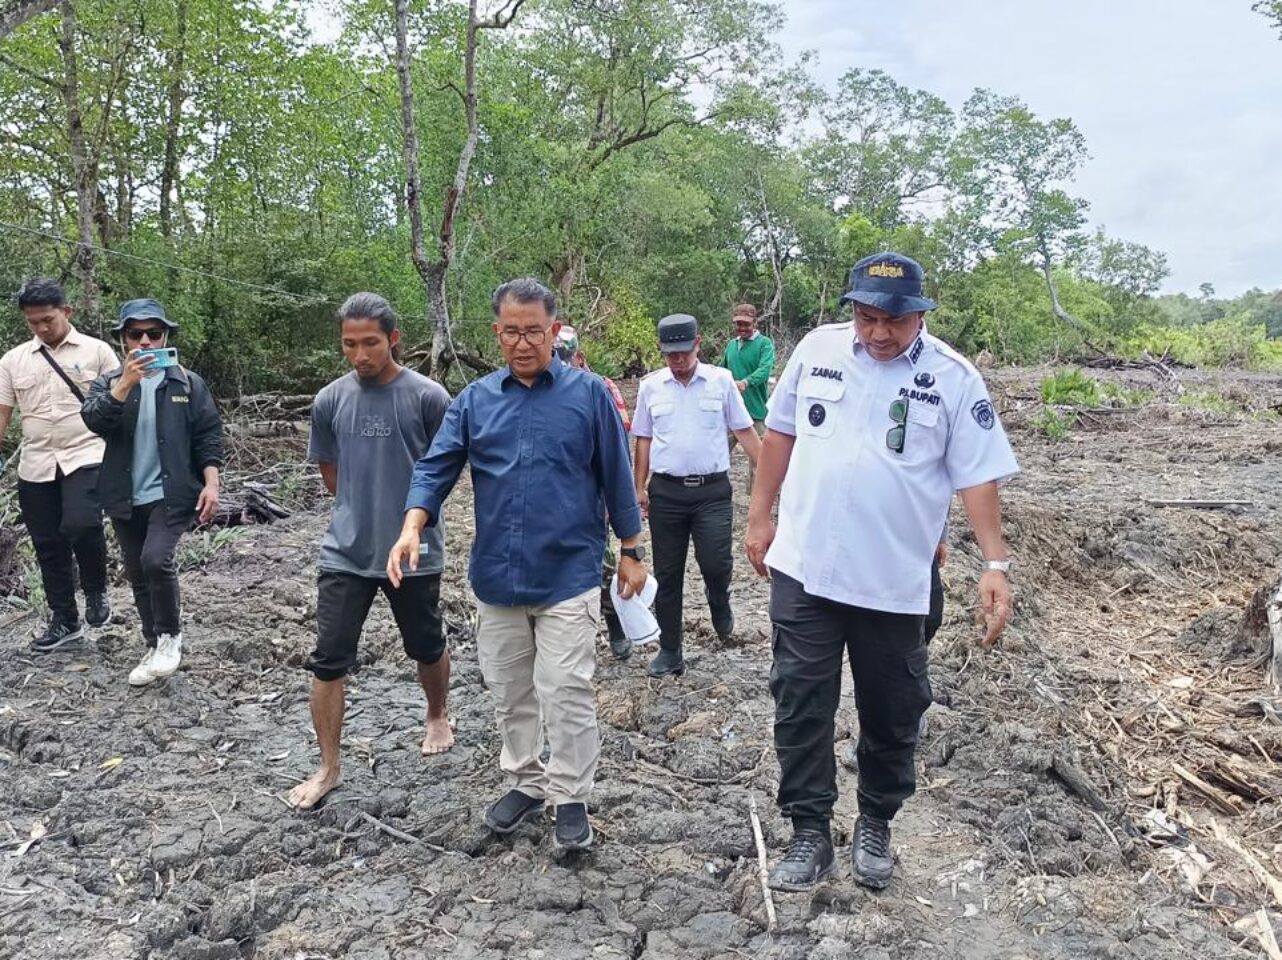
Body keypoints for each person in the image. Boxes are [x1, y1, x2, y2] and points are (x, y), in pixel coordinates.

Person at [745, 253, 1018, 892]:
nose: (877, 334)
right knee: (801, 702)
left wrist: (995, 563)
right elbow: (779, 434)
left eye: (892, 322)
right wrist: (760, 516)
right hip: (806, 566)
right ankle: (809, 830)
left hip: (895, 580)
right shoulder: (817, 349)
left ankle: (876, 822)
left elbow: (978, 475)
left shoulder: (953, 377)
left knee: (893, 710)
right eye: (866, 318)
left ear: (920, 314)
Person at [388, 278, 646, 852]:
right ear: (496, 334)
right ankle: (526, 782)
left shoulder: (589, 396)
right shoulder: (476, 401)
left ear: (554, 332)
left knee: (567, 690)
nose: (524, 342)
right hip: (497, 576)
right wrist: (411, 526)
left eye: (535, 330)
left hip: (569, 572)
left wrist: (631, 549)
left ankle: (570, 794)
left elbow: (616, 476)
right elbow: (435, 468)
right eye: (512, 331)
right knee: (510, 691)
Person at [288, 293, 454, 810]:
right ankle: (328, 767)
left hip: (413, 551)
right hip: (346, 551)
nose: (360, 354)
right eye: (349, 344)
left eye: (370, 343)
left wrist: (408, 523)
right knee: (328, 660)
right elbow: (331, 472)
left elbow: (444, 470)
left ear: (394, 339)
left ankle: (436, 713)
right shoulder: (329, 400)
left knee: (425, 642)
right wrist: (358, 510)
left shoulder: (429, 397)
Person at [81, 299, 223, 687]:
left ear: (166, 337)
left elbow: (208, 435)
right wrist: (125, 383)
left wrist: (212, 483)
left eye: (154, 334)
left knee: (156, 559)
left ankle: (169, 636)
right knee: (137, 570)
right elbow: (94, 420)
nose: (145, 341)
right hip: (124, 493)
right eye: (135, 334)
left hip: (172, 492)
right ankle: (153, 643)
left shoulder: (187, 383)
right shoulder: (109, 382)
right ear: (123, 340)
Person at [632, 314, 761, 677]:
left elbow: (746, 432)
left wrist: (772, 477)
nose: (678, 361)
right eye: (670, 354)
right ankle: (671, 650)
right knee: (668, 575)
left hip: (712, 493)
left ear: (698, 344)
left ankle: (718, 599)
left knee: (716, 563)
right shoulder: (650, 387)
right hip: (667, 494)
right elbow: (642, 438)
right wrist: (638, 487)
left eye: (684, 353)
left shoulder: (720, 382)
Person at [0, 279, 118, 652]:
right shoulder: (13, 361)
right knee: (47, 544)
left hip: (87, 452)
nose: (40, 328)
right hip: (36, 462)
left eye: (47, 319)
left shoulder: (98, 352)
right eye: (33, 322)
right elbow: (2, 413)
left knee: (82, 523)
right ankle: (65, 619)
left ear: (66, 312)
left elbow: (121, 399)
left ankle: (96, 590)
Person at [554, 325, 632, 660]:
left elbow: (617, 444)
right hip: (553, 498)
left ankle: (616, 628)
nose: (560, 361)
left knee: (602, 567)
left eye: (565, 356)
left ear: (578, 356)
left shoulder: (600, 388)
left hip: (591, 498)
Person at [721, 303, 774, 494]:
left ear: (755, 322)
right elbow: (722, 371)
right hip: (732, 412)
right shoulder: (731, 345)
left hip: (756, 412)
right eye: (739, 324)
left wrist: (745, 382)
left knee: (759, 460)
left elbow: (765, 370)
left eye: (746, 324)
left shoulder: (764, 344)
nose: (742, 328)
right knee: (717, 450)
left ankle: (756, 501)